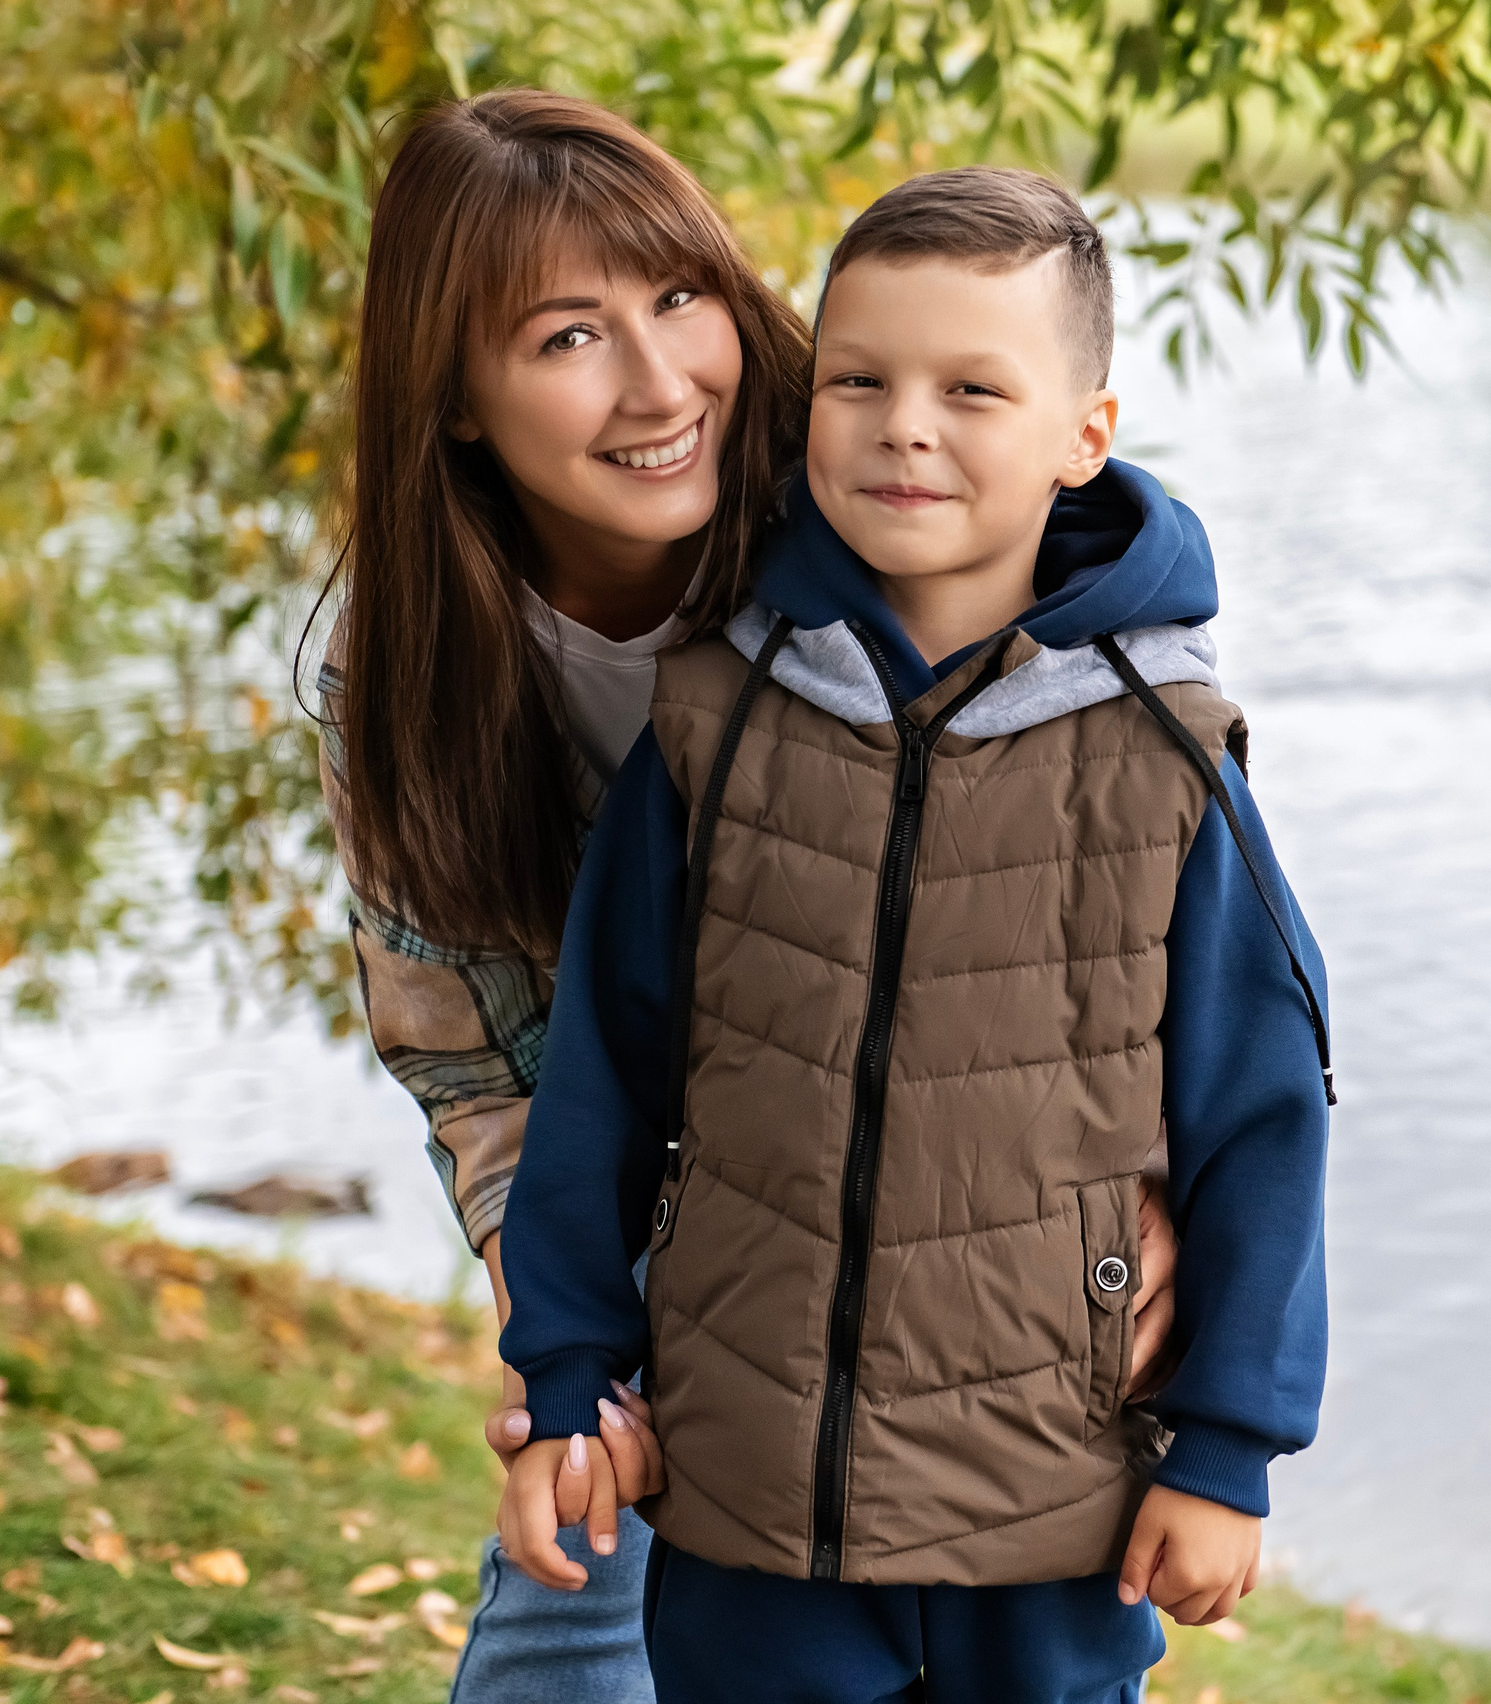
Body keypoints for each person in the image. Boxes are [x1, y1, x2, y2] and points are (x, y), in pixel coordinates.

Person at [314, 96, 1185, 1701]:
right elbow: (469, 1057)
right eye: (569, 336)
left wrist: (1148, 1204)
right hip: (649, 1223)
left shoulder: (864, 508)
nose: (660, 387)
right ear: (452, 396)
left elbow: (1120, 846)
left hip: (940, 1248)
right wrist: (570, 1356)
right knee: (567, 1629)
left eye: (679, 298)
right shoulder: (406, 671)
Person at [495, 167, 1332, 1703]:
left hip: (1052, 1517)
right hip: (753, 1510)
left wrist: (1229, 1448)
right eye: (861, 379)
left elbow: (1264, 1119)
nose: (906, 427)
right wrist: (565, 1375)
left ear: (1085, 436)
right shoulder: (717, 719)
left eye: (973, 389)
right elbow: (602, 1077)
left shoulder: (1165, 755)